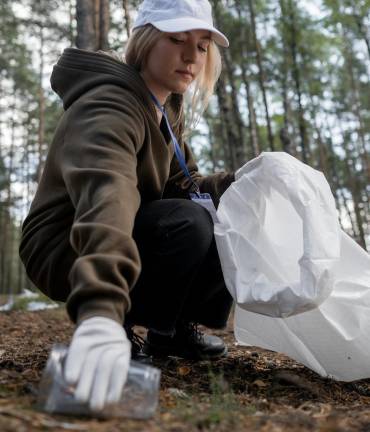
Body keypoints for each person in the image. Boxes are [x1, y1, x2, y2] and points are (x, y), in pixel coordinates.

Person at [19, 0, 234, 412]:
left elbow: (181, 185)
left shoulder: (164, 106)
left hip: (122, 227)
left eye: (202, 46)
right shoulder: (109, 104)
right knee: (186, 223)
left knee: (225, 214)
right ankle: (115, 327)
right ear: (145, 40)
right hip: (67, 242)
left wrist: (241, 184)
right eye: (177, 40)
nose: (191, 57)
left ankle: (168, 331)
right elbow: (107, 195)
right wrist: (99, 311)